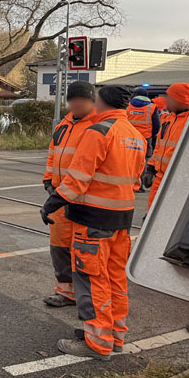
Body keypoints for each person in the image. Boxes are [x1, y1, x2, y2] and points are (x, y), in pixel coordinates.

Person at [41, 85, 146, 359]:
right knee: (114, 279)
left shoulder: (98, 132)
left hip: (92, 219)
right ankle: (115, 336)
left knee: (92, 280)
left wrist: (53, 203)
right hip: (121, 219)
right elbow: (135, 181)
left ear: (103, 103)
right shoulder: (135, 136)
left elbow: (78, 178)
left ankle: (97, 343)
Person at [41, 81, 98, 307]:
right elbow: (53, 154)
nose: (77, 104)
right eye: (74, 100)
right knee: (59, 247)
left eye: (82, 100)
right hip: (60, 197)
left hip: (84, 199)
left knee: (83, 250)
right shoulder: (62, 126)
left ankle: (87, 297)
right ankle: (66, 291)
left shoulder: (97, 126)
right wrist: (48, 179)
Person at [143, 83, 189, 209]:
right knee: (152, 214)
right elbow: (159, 146)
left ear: (179, 100)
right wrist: (151, 168)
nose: (166, 101)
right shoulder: (167, 119)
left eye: (169, 97)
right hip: (161, 178)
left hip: (179, 182)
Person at [126, 87, 160, 190]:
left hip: (129, 137)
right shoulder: (152, 107)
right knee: (143, 161)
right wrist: (151, 135)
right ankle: (139, 185)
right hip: (145, 138)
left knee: (128, 160)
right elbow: (157, 125)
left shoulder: (128, 106)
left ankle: (127, 184)